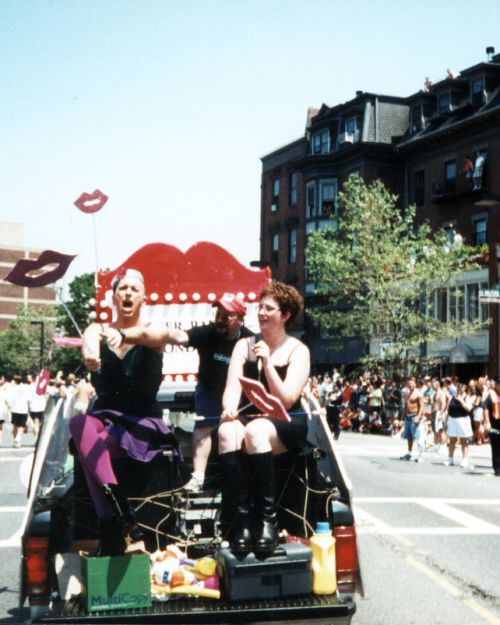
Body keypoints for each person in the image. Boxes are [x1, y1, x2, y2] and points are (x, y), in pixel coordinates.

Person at [69, 268, 179, 556]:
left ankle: (111, 523)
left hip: (141, 424)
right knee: (79, 424)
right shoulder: (97, 329)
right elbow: (90, 342)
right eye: (122, 289)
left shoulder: (155, 329)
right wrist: (92, 356)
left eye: (134, 289)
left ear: (143, 298)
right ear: (113, 297)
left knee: (89, 448)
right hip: (104, 421)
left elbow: (147, 334)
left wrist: (122, 334)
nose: (128, 293)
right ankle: (125, 518)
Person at [118, 292, 254, 493]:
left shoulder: (250, 340)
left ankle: (240, 477)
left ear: (240, 320)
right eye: (218, 314)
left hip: (240, 394)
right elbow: (180, 336)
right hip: (209, 390)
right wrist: (158, 332)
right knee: (203, 427)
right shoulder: (208, 333)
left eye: (226, 316)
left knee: (239, 430)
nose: (219, 319)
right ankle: (197, 477)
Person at [218, 280, 310, 555]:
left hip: (286, 421)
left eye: (268, 309)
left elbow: (286, 399)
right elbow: (231, 390)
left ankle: (266, 522)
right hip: (251, 419)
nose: (261, 313)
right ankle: (242, 522)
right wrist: (229, 410)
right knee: (227, 432)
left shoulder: (298, 350)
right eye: (259, 308)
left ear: (285, 316)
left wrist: (268, 364)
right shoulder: (243, 346)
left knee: (256, 430)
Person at [444, 383, 474, 468]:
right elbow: (448, 410)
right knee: (452, 440)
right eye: (459, 387)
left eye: (462, 388)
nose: (460, 389)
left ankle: (464, 460)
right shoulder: (452, 397)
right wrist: (446, 420)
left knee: (463, 441)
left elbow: (468, 409)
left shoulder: (466, 397)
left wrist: (461, 400)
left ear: (465, 389)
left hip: (463, 420)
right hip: (452, 419)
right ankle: (450, 459)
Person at [400, 377, 424, 462]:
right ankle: (409, 453)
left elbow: (421, 407)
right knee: (409, 436)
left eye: (412, 384)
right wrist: (402, 418)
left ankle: (421, 455)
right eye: (409, 384)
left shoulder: (419, 394)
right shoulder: (407, 393)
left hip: (415, 416)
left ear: (415, 384)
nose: (410, 385)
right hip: (407, 416)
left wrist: (418, 417)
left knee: (418, 436)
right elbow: (405, 406)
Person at [482, 377, 500, 476]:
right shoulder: (491, 394)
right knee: (496, 446)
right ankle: (497, 469)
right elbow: (485, 408)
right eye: (499, 384)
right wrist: (487, 422)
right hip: (495, 424)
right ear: (496, 385)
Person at [6, 374, 29, 448]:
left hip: (14, 409)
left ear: (14, 380)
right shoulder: (25, 388)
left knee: (15, 426)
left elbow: (7, 399)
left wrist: (9, 406)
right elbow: (29, 399)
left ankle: (16, 441)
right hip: (23, 409)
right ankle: (18, 439)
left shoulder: (11, 388)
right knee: (21, 426)